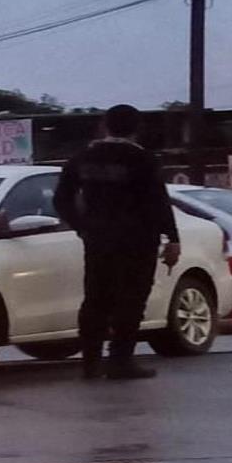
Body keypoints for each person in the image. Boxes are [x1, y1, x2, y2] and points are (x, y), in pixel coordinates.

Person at [54, 104, 181, 380]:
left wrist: (82, 227)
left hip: (98, 239)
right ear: (137, 128)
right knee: (132, 299)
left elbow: (61, 199)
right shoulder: (143, 159)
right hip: (138, 240)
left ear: (104, 125)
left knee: (96, 298)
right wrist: (172, 238)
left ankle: (90, 361)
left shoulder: (83, 157)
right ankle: (120, 359)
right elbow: (158, 202)